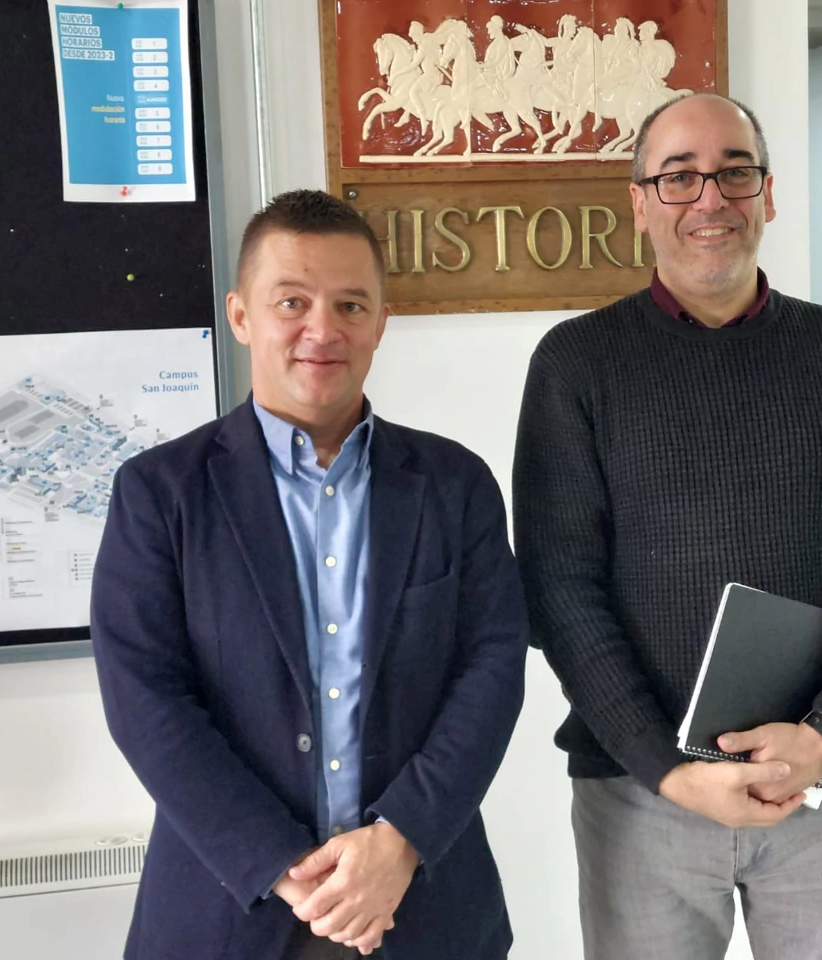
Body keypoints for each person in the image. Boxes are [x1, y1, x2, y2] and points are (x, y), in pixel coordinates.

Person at [512, 92, 822, 960]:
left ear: (768, 193)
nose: (709, 199)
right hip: (643, 798)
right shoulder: (576, 365)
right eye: (678, 177)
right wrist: (665, 766)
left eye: (733, 172)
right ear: (639, 203)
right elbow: (559, 589)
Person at [91, 189, 528, 960]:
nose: (322, 330)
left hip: (422, 908)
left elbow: (491, 672)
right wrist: (286, 865)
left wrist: (400, 841)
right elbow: (146, 702)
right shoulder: (160, 493)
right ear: (241, 316)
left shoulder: (454, 485)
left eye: (351, 305)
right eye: (291, 301)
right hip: (229, 911)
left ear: (381, 323)